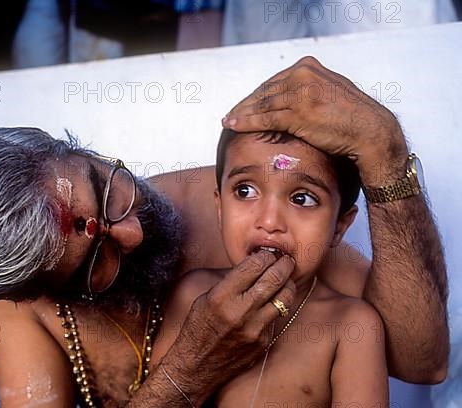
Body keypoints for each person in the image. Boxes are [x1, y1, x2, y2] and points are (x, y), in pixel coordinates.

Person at [0, 56, 448, 407]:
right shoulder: (26, 308)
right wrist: (189, 370)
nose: (133, 232)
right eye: (96, 259)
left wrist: (385, 153)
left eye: (107, 187)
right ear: (44, 288)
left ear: (80, 150)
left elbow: (425, 362)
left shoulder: (256, 225)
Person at [151, 129, 388, 406]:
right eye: (245, 191)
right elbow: (162, 396)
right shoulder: (193, 295)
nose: (269, 220)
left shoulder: (352, 326)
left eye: (302, 199)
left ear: (339, 226)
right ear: (220, 208)